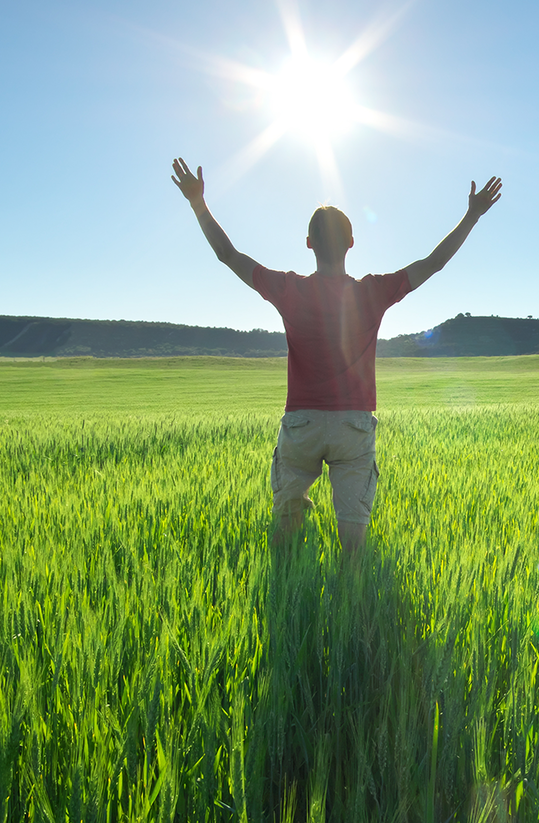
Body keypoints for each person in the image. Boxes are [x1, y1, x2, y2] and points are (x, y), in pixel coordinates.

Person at [171, 157, 501, 555]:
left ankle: (290, 593)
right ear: (351, 242)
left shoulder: (288, 289)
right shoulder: (371, 293)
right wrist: (472, 216)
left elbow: (228, 254)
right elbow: (433, 263)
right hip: (353, 426)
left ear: (308, 244)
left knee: (286, 536)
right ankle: (354, 605)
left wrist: (198, 203)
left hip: (302, 424)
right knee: (354, 550)